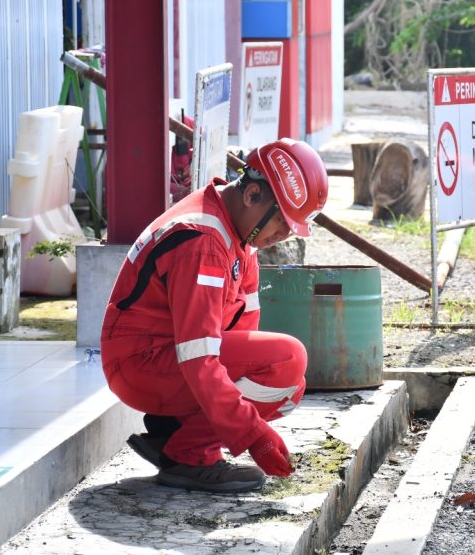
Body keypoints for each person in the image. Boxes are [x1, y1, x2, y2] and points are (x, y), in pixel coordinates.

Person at [101, 138, 329, 493]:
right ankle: (189, 457)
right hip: (140, 363)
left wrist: (244, 420)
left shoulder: (240, 232)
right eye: (283, 223)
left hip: (164, 356)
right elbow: (198, 357)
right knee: (288, 359)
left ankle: (177, 433)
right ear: (253, 195)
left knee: (288, 383)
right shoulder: (203, 242)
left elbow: (243, 331)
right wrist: (254, 435)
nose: (283, 236)